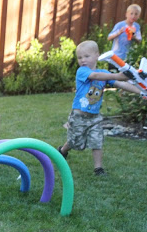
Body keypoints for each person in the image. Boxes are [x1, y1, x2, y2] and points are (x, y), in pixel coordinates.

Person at [57, 40, 142, 176]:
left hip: (95, 117)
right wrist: (117, 75)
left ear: (97, 55)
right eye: (80, 57)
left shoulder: (104, 73)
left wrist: (141, 92)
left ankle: (98, 168)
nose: (83, 60)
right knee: (75, 141)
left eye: (87, 56)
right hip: (79, 116)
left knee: (97, 140)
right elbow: (95, 76)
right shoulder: (82, 71)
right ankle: (62, 150)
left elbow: (121, 84)